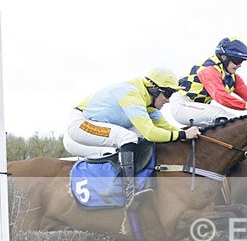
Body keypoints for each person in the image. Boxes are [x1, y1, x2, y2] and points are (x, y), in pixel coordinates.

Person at [63, 67, 200, 210]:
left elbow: (166, 128)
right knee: (128, 137)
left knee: (138, 138)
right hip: (80, 125)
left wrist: (191, 133)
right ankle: (129, 191)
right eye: (168, 93)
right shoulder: (132, 95)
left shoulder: (149, 102)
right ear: (154, 88)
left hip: (99, 124)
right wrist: (183, 135)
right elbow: (151, 133)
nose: (168, 100)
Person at [170, 37, 247, 127]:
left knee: (231, 120)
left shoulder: (233, 77)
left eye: (242, 61)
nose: (239, 65)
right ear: (223, 57)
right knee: (229, 119)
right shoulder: (209, 70)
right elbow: (222, 97)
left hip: (198, 108)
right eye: (237, 60)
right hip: (182, 105)